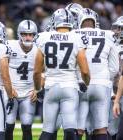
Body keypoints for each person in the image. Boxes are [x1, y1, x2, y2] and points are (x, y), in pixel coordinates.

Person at [34, 8, 90, 140]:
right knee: (70, 129)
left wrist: (38, 89)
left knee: (47, 130)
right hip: (70, 86)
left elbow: (37, 71)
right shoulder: (77, 38)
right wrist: (85, 83)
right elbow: (85, 71)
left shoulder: (44, 37)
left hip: (51, 86)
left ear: (54, 21)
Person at [76, 8, 119, 140]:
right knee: (101, 128)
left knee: (78, 128)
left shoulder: (73, 34)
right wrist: (104, 77)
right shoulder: (108, 35)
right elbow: (114, 67)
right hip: (102, 84)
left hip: (80, 84)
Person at [5, 20, 38, 140]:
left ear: (35, 35)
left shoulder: (39, 49)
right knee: (8, 126)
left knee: (27, 127)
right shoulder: (9, 46)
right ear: (19, 34)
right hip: (11, 92)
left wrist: (37, 89)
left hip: (29, 93)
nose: (28, 37)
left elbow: (44, 71)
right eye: (25, 34)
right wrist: (8, 88)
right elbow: (2, 69)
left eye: (31, 34)